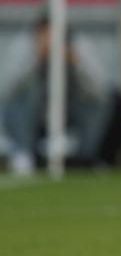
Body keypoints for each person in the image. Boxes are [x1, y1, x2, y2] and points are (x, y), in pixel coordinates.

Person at [1, 16, 114, 176]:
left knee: (102, 104)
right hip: (34, 113)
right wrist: (36, 59)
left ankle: (87, 156)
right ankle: (23, 154)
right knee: (21, 99)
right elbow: (7, 88)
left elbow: (101, 89)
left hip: (71, 107)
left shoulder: (80, 45)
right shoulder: (23, 46)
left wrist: (75, 62)